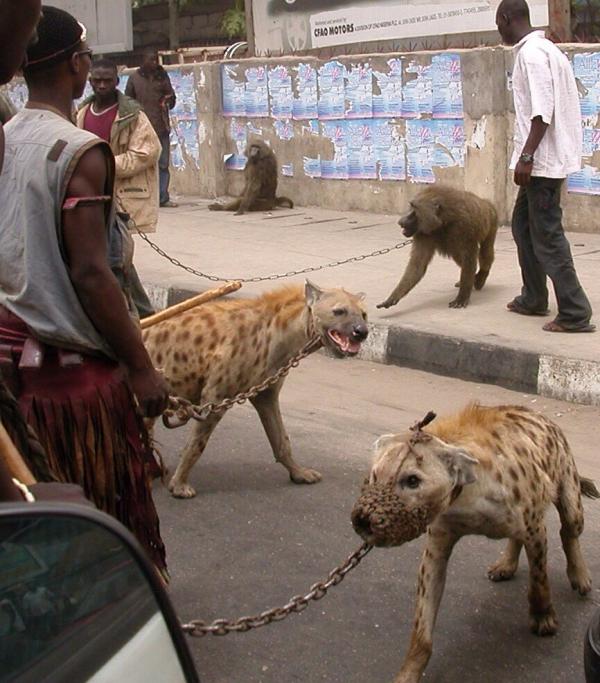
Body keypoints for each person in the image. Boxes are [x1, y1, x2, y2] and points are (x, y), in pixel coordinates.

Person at [0, 6, 170, 577]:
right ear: (76, 65)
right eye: (87, 61)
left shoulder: (7, 137)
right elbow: (93, 274)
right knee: (106, 516)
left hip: (14, 367)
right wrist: (141, 367)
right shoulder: (79, 151)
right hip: (71, 385)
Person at [496, 0, 595, 333]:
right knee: (523, 227)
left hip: (541, 164)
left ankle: (575, 312)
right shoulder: (547, 50)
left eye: (499, 24)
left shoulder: (532, 55)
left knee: (548, 238)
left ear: (506, 18)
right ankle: (534, 297)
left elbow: (542, 112)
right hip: (543, 161)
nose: (499, 30)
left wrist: (526, 156)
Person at [77, 57, 159, 318]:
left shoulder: (132, 115)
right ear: (90, 81)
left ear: (116, 82)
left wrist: (105, 165)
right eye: (97, 81)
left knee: (118, 258)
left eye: (107, 81)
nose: (101, 86)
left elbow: (148, 152)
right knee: (108, 261)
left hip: (121, 198)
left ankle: (145, 317)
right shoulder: (82, 113)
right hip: (90, 198)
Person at [125, 50, 178, 208]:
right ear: (143, 61)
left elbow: (172, 98)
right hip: (141, 129)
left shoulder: (162, 76)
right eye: (151, 60)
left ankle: (162, 197)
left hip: (161, 127)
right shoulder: (134, 78)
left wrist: (168, 100)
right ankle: (145, 196)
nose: (154, 63)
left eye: (156, 60)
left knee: (163, 164)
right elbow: (127, 101)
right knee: (143, 164)